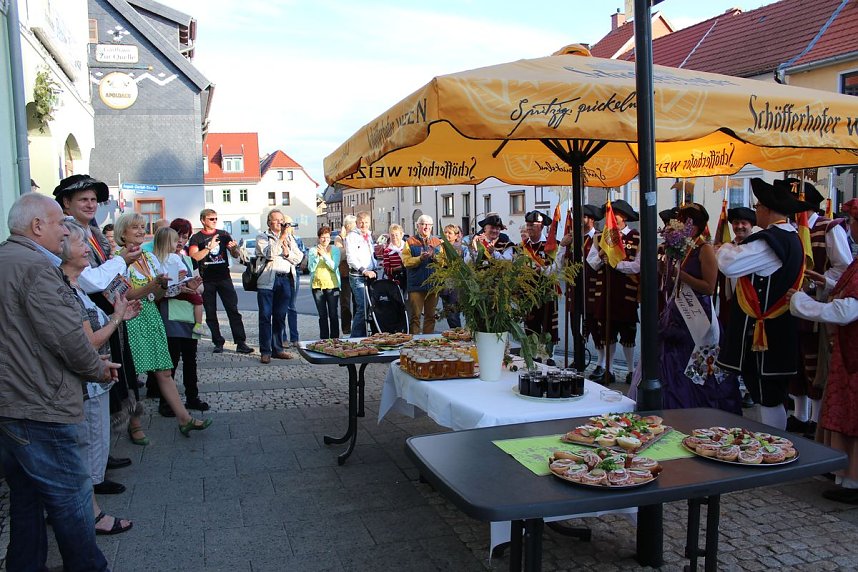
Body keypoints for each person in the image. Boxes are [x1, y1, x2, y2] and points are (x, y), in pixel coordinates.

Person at [0, 192, 117, 571]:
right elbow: (68, 338)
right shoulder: (36, 268)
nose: (65, 233)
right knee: (72, 498)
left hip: (13, 401)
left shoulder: (6, 258)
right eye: (58, 225)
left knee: (27, 498)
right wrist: (97, 368)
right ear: (37, 226)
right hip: (40, 404)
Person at [54, 174, 138, 472]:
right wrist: (121, 261)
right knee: (97, 383)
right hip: (88, 316)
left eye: (93, 200)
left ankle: (100, 456)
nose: (91, 205)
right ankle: (94, 466)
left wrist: (121, 293)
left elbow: (103, 279)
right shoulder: (68, 233)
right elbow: (91, 280)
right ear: (66, 203)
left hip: (104, 312)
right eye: (84, 200)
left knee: (111, 383)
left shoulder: (92, 233)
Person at [60, 219, 139, 535]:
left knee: (94, 436)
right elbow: (89, 340)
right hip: (86, 380)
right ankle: (87, 509)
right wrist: (117, 318)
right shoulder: (67, 287)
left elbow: (95, 323)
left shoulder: (75, 285)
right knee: (86, 440)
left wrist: (119, 315)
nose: (87, 250)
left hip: (94, 376)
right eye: (81, 244)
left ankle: (89, 499)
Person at [716, 178, 807, 429]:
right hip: (779, 328)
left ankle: (774, 443)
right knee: (768, 394)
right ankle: (774, 441)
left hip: (767, 332)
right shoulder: (793, 237)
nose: (756, 211)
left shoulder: (771, 240)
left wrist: (723, 248)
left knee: (768, 396)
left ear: (767, 209)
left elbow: (729, 264)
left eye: (757, 206)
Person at [115, 212, 214, 436]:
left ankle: (184, 419)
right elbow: (127, 294)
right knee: (131, 375)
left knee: (165, 371)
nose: (141, 231)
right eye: (135, 227)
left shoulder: (149, 258)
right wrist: (154, 286)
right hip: (131, 319)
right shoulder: (117, 260)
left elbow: (159, 295)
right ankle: (135, 425)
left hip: (151, 316)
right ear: (123, 233)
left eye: (142, 227)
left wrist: (182, 287)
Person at [651, 203, 741, 413]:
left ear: (695, 226)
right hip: (676, 313)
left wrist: (680, 275)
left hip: (697, 315)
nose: (679, 225)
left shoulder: (705, 249)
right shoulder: (681, 247)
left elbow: (709, 287)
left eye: (683, 222)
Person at [783, 179, 851, 437]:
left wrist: (819, 281)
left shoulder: (829, 228)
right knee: (796, 360)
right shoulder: (790, 229)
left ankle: (815, 418)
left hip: (818, 302)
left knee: (815, 361)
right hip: (791, 302)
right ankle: (800, 415)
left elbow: (844, 267)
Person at [789, 257, 858, 503]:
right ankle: (844, 471)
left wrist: (800, 302)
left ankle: (853, 481)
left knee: (852, 414)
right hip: (849, 355)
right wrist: (827, 285)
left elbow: (845, 311)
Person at [158, 218, 210, 413]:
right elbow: (159, 290)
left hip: (190, 316)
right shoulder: (160, 259)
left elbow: (200, 287)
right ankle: (166, 402)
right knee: (170, 361)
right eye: (177, 236)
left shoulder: (188, 260)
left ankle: (192, 397)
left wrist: (193, 287)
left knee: (190, 360)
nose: (180, 241)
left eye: (185, 237)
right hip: (170, 315)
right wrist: (185, 288)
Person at [587, 199, 641, 384]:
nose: (610, 218)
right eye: (609, 214)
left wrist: (617, 264)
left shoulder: (636, 237)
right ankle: (608, 370)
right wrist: (602, 254)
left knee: (628, 333)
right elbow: (592, 263)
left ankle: (630, 370)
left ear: (623, 217)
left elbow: (638, 265)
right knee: (607, 333)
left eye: (614, 214)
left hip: (626, 293)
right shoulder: (600, 237)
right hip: (605, 292)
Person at [188, 208, 252, 354]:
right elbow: (193, 257)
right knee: (211, 313)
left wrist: (235, 249)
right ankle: (218, 342)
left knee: (233, 310)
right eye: (211, 219)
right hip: (206, 280)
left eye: (216, 218)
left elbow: (235, 254)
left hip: (224, 278)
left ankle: (240, 342)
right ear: (203, 220)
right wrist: (208, 248)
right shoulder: (196, 238)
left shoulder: (223, 234)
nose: (214, 221)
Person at [715, 206, 758, 409]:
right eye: (736, 223)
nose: (739, 226)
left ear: (751, 225)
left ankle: (751, 389)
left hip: (751, 306)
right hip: (729, 304)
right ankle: (731, 387)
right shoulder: (726, 248)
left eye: (744, 223)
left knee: (750, 350)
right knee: (730, 346)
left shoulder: (756, 247)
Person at [256, 209, 302, 363]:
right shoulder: (262, 237)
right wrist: (281, 238)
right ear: (269, 222)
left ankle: (278, 349)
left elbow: (299, 257)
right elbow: (269, 253)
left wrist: (288, 254)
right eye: (276, 220)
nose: (280, 223)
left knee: (280, 316)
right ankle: (265, 351)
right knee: (265, 317)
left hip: (285, 279)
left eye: (281, 220)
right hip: (267, 280)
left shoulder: (289, 237)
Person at [561, 204, 603, 361]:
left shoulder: (599, 237)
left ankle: (601, 363)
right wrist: (562, 245)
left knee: (595, 327)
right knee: (575, 328)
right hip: (574, 289)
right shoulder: (572, 238)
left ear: (591, 219)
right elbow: (561, 263)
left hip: (592, 288)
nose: (577, 221)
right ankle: (578, 358)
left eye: (582, 217)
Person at [519, 210, 559, 363]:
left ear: (541, 227)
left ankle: (549, 356)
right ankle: (533, 355)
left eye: (533, 225)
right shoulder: (523, 246)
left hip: (547, 290)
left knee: (549, 325)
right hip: (528, 292)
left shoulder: (551, 245)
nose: (529, 228)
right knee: (530, 324)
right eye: (528, 225)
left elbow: (557, 267)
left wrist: (541, 270)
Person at [152, 226, 205, 336]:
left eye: (184, 237)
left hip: (165, 296)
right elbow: (183, 271)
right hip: (178, 291)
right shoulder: (174, 257)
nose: (179, 242)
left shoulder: (154, 258)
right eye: (176, 240)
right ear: (168, 243)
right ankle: (199, 325)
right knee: (198, 300)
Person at [402, 215, 443, 334]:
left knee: (431, 316)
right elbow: (406, 262)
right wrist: (420, 258)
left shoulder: (437, 242)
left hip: (433, 285)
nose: (426, 227)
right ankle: (414, 340)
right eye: (423, 224)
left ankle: (428, 340)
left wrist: (434, 256)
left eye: (428, 225)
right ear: (417, 226)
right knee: (415, 316)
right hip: (416, 285)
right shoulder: (410, 241)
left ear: (432, 227)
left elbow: (443, 262)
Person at [346, 211, 378, 337]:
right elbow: (351, 258)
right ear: (357, 223)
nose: (364, 225)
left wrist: (376, 265)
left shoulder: (369, 235)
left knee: (369, 307)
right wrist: (364, 270)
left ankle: (364, 336)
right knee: (362, 308)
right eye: (361, 223)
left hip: (370, 275)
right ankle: (354, 338)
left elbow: (370, 255)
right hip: (358, 276)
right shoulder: (352, 236)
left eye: (366, 222)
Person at [308, 226, 341, 339]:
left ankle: (335, 338)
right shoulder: (313, 250)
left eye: (327, 237)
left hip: (332, 285)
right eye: (322, 237)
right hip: (317, 286)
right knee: (322, 315)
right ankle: (324, 339)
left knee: (333, 313)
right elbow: (311, 268)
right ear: (319, 238)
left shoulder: (335, 250)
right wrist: (318, 257)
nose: (325, 240)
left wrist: (325, 255)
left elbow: (334, 266)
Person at [279, 214, 305, 346]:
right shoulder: (276, 238)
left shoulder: (295, 239)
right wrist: (291, 256)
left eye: (289, 225)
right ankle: (283, 338)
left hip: (293, 274)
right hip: (280, 275)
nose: (288, 227)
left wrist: (289, 255)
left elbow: (299, 257)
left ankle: (294, 338)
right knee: (281, 308)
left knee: (292, 307)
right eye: (286, 225)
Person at [440, 224, 463, 329]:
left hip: (454, 283)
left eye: (450, 233)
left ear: (456, 235)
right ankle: (455, 331)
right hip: (443, 282)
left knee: (453, 312)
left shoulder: (458, 248)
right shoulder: (441, 247)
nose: (446, 235)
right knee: (448, 312)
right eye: (445, 232)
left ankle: (457, 332)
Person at [338, 215, 356, 335]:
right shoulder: (339, 238)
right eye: (354, 225)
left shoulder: (357, 237)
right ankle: (346, 328)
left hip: (356, 273)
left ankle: (357, 327)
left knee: (357, 302)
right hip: (344, 274)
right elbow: (341, 254)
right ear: (348, 226)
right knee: (345, 303)